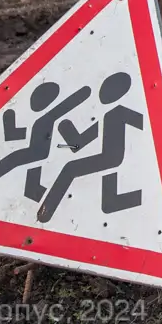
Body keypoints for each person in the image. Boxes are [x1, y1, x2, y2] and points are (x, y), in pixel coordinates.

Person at [36, 72, 145, 223]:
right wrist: (70, 137)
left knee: (70, 168)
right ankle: (45, 213)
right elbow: (82, 141)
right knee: (74, 170)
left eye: (106, 90)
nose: (102, 94)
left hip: (111, 157)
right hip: (108, 157)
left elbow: (148, 126)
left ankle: (45, 213)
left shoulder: (121, 112)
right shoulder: (107, 115)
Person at [0, 80, 91, 202]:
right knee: (15, 160)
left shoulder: (47, 118)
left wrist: (83, 93)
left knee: (15, 159)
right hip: (39, 149)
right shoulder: (43, 119)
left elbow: (67, 105)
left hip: (41, 150)